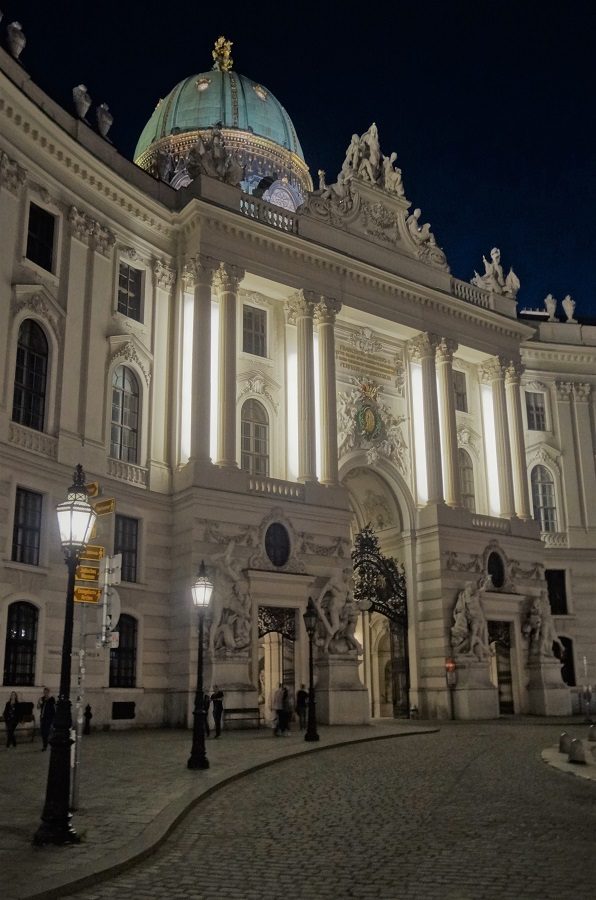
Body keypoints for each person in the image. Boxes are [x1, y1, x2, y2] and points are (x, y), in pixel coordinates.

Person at [37, 686, 55, 751]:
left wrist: (53, 719)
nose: (45, 694)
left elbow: (53, 709)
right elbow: (38, 707)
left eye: (46, 692)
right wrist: (39, 702)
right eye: (44, 692)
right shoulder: (42, 698)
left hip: (49, 718)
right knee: (42, 732)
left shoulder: (51, 699)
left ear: (49, 692)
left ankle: (45, 745)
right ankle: (46, 742)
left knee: (46, 732)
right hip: (42, 718)